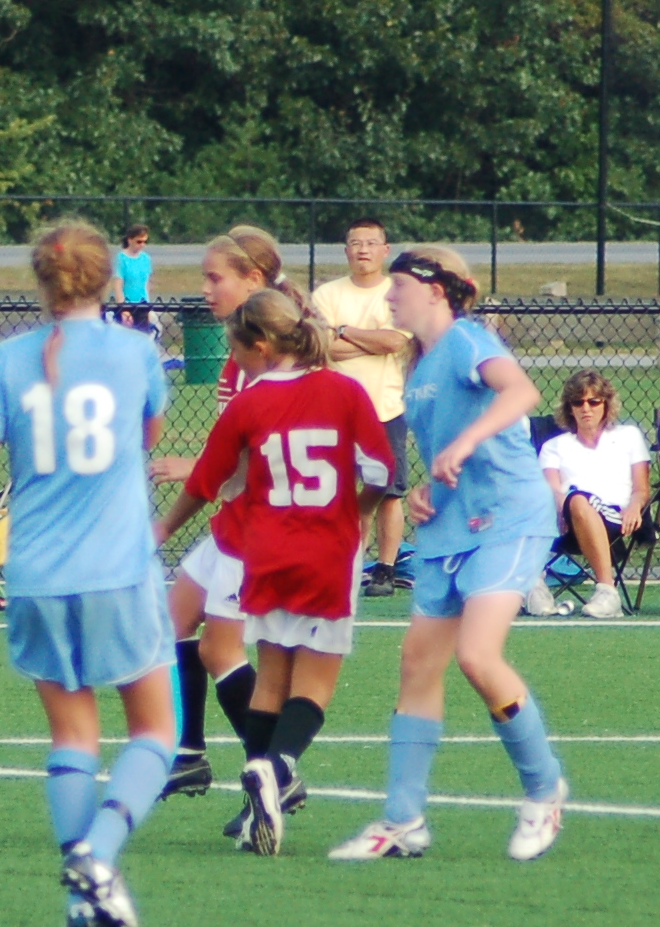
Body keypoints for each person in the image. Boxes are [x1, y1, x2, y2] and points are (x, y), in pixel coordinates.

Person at [0, 220, 175, 927]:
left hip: (37, 575)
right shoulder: (135, 352)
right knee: (157, 731)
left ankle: (82, 904)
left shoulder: (8, 359)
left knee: (73, 734)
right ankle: (98, 855)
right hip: (118, 570)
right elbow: (148, 437)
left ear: (41, 282)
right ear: (109, 279)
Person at [327, 246, 569, 865]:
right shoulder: (420, 363)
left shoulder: (467, 340)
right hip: (449, 528)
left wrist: (464, 443)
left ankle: (545, 790)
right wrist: (425, 492)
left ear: (435, 290)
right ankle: (402, 820)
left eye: (399, 286)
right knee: (417, 666)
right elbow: (441, 454)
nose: (389, 297)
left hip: (507, 519)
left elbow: (521, 392)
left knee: (477, 656)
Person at [157, 288, 393, 854]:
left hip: (265, 552)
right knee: (313, 684)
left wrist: (161, 529)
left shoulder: (249, 403)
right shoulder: (344, 390)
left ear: (259, 345)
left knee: (269, 677)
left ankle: (255, 797)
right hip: (327, 551)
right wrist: (359, 512)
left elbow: (206, 481)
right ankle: (278, 768)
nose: (233, 358)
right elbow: (382, 471)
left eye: (234, 349)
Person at [148, 226, 289, 809]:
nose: (205, 290)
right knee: (172, 622)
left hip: (260, 525)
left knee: (220, 651)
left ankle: (275, 771)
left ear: (253, 280)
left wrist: (200, 471)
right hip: (236, 516)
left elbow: (267, 450)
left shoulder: (269, 354)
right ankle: (188, 752)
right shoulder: (241, 349)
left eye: (215, 278)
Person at [307, 217, 417, 597]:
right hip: (333, 409)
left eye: (371, 243)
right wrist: (366, 342)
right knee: (339, 493)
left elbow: (395, 342)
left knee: (388, 491)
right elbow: (321, 346)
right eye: (356, 243)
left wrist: (344, 331)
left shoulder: (395, 293)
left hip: (385, 408)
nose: (363, 250)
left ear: (385, 250)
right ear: (346, 250)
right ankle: (346, 566)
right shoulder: (327, 294)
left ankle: (385, 568)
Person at [533, 370, 651, 620]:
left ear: (606, 404)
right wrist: (564, 506)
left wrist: (634, 507)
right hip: (566, 521)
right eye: (578, 402)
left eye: (594, 401)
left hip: (617, 517)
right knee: (543, 500)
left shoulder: (628, 436)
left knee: (578, 498)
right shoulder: (554, 446)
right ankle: (533, 584)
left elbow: (642, 489)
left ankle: (608, 592)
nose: (586, 408)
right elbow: (552, 489)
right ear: (570, 408)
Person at [113, 223, 158, 332]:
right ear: (130, 240)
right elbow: (118, 285)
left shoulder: (146, 259)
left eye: (145, 242)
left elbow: (146, 284)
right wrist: (123, 309)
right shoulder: (121, 258)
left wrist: (148, 307)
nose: (142, 245)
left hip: (142, 304)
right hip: (127, 304)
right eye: (139, 242)